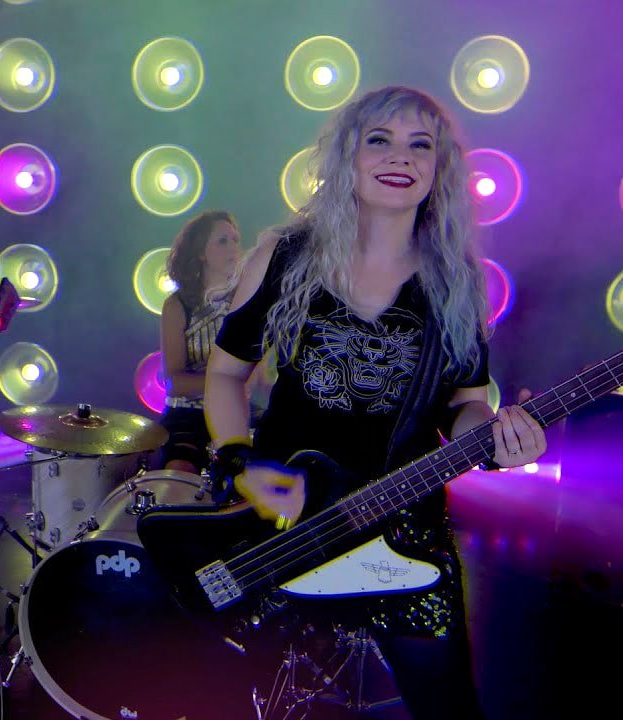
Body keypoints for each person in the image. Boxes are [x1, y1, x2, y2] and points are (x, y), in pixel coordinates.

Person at [204, 86, 547, 719]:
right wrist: (237, 459)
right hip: (285, 517)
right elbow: (226, 375)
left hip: (405, 524)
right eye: (380, 140)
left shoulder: (456, 281)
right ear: (348, 156)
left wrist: (498, 437)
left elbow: (465, 405)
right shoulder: (286, 256)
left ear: (439, 168)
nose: (401, 157)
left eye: (421, 145)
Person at [157, 210, 242, 473]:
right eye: (222, 241)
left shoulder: (247, 301)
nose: (233, 247)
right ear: (201, 253)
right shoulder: (177, 305)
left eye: (235, 240)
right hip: (188, 417)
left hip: (238, 414)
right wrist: (229, 382)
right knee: (180, 470)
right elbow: (175, 382)